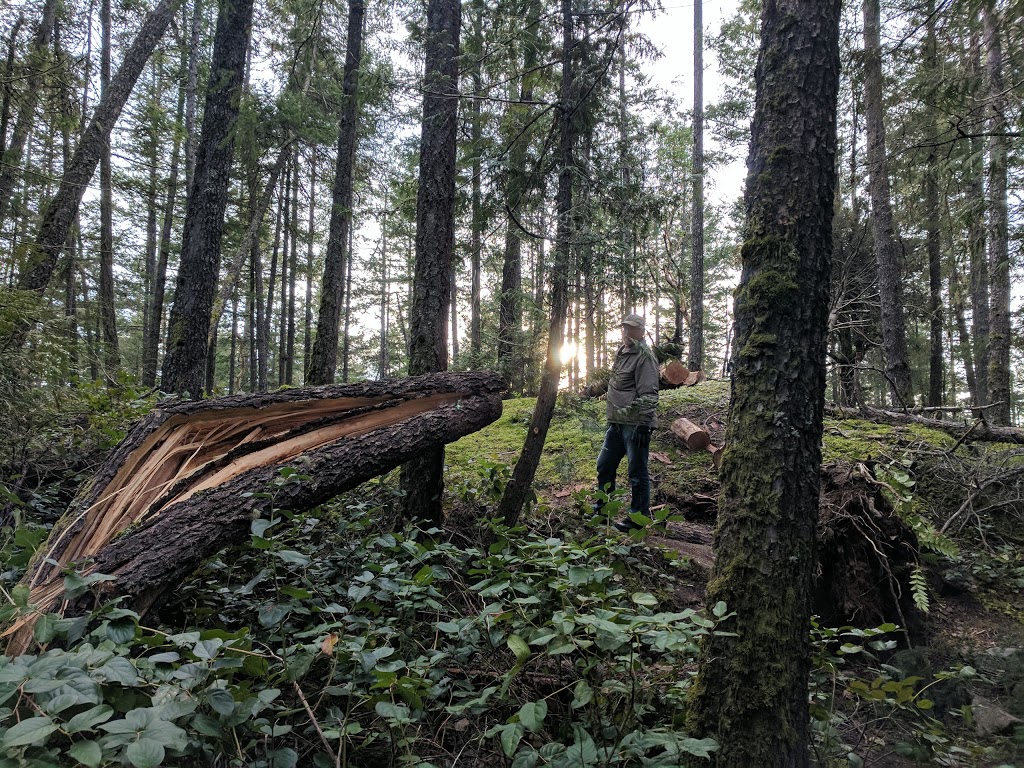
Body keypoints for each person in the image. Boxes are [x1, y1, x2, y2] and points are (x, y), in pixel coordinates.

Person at [595, 313, 660, 532]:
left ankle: (637, 521)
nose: (627, 333)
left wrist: (644, 422)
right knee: (604, 465)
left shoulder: (645, 356)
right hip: (616, 422)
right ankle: (602, 509)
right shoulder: (622, 353)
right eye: (625, 328)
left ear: (641, 331)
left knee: (637, 472)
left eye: (632, 329)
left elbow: (649, 391)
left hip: (635, 425)